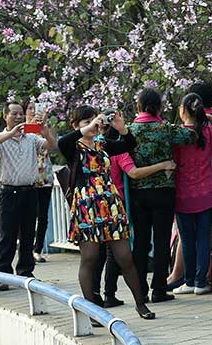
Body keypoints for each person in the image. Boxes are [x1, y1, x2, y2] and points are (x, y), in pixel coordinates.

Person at [57, 107, 155, 320]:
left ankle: (140, 304)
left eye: (94, 120)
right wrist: (87, 129)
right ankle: (93, 312)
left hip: (110, 205)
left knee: (124, 257)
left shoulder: (103, 144)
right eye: (86, 122)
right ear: (75, 125)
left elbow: (129, 145)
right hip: (87, 208)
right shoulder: (73, 147)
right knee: (90, 258)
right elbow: (61, 143)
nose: (93, 125)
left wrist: (122, 129)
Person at [127, 88, 195, 303]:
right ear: (159, 107)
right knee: (162, 239)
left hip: (138, 192)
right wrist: (190, 116)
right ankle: (159, 289)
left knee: (141, 242)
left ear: (138, 106)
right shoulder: (165, 129)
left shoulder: (129, 131)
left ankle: (140, 290)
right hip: (163, 191)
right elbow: (191, 136)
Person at [94, 149, 176, 308]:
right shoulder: (119, 151)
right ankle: (110, 294)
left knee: (99, 252)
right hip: (116, 203)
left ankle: (99, 295)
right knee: (114, 250)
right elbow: (134, 173)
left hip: (94, 203)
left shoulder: (90, 150)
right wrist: (162, 165)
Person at [167, 80, 212, 290]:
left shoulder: (177, 134)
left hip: (183, 195)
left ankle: (189, 281)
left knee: (187, 239)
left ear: (183, 111)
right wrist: (209, 118)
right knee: (203, 238)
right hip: (206, 193)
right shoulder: (207, 133)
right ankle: (202, 282)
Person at [0, 101, 57, 288]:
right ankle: (3, 275)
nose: (19, 117)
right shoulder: (1, 138)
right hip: (9, 192)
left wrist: (45, 131)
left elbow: (51, 146)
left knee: (28, 233)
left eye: (21, 114)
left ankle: (25, 272)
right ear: (5, 116)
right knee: (8, 235)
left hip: (30, 191)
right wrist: (9, 134)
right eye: (14, 114)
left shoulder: (31, 138)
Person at [27, 100, 55, 264]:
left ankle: (37, 249)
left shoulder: (44, 127)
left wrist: (45, 125)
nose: (33, 111)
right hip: (29, 176)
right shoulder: (22, 127)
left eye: (35, 108)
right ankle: (27, 248)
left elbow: (53, 145)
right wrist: (32, 124)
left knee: (43, 215)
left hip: (45, 175)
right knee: (29, 215)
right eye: (30, 108)